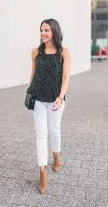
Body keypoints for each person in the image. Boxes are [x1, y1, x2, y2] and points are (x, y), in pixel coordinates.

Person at [28, 18, 71, 194]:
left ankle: (56, 156)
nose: (43, 33)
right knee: (41, 135)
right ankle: (43, 173)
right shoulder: (35, 52)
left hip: (56, 100)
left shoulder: (64, 52)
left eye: (46, 30)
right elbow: (32, 75)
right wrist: (30, 94)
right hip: (38, 98)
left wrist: (60, 97)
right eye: (41, 30)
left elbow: (66, 77)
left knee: (55, 130)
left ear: (54, 31)